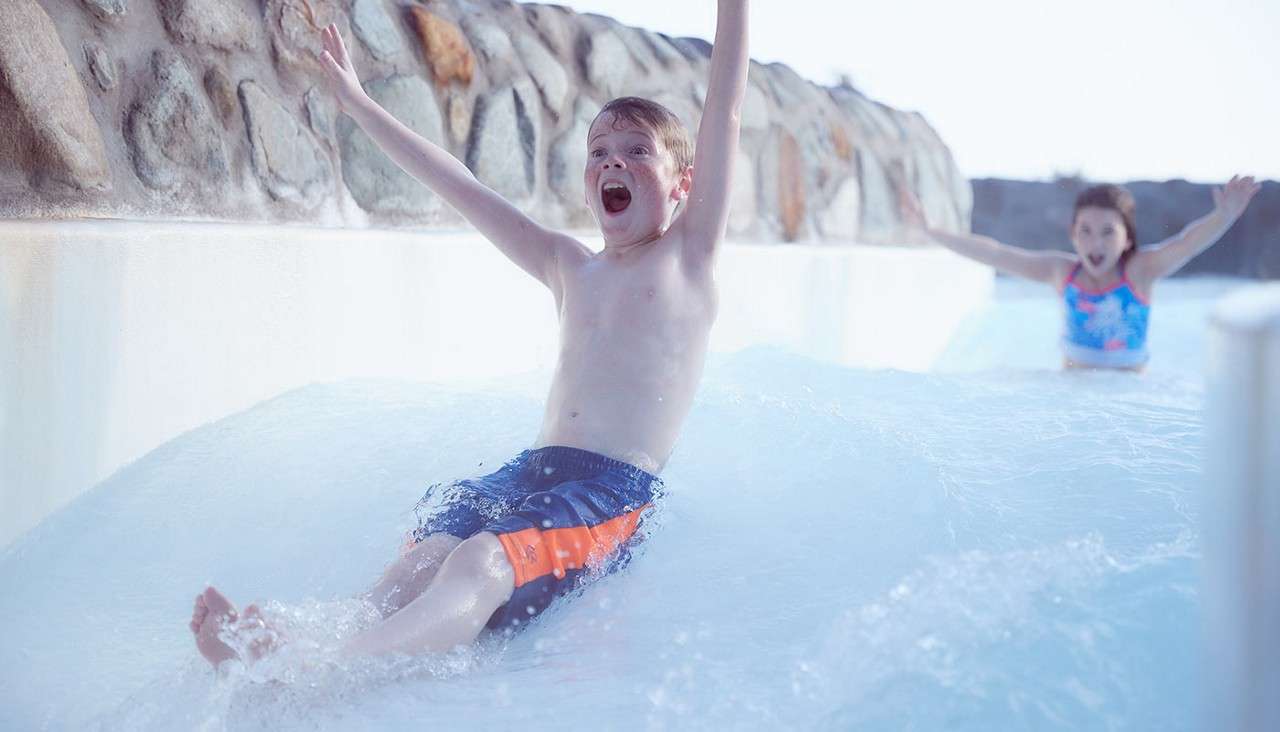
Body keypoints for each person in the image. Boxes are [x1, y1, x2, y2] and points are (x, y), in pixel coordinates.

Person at [190, 0, 750, 667]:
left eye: (637, 152)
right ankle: (299, 642)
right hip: (531, 472)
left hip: (608, 496)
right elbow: (457, 185)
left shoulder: (687, 260)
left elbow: (725, 107)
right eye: (599, 152)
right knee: (427, 557)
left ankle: (320, 672)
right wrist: (360, 105)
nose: (613, 164)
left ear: (684, 184)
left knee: (480, 563)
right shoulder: (569, 265)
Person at [901, 176, 1260, 369]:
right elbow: (996, 253)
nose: (1095, 242)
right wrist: (931, 231)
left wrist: (1224, 215)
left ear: (1127, 239)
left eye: (1108, 232)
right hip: (1074, 392)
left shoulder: (1140, 271)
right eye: (1085, 231)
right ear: (1072, 235)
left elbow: (1187, 243)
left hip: (1129, 393)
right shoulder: (1062, 273)